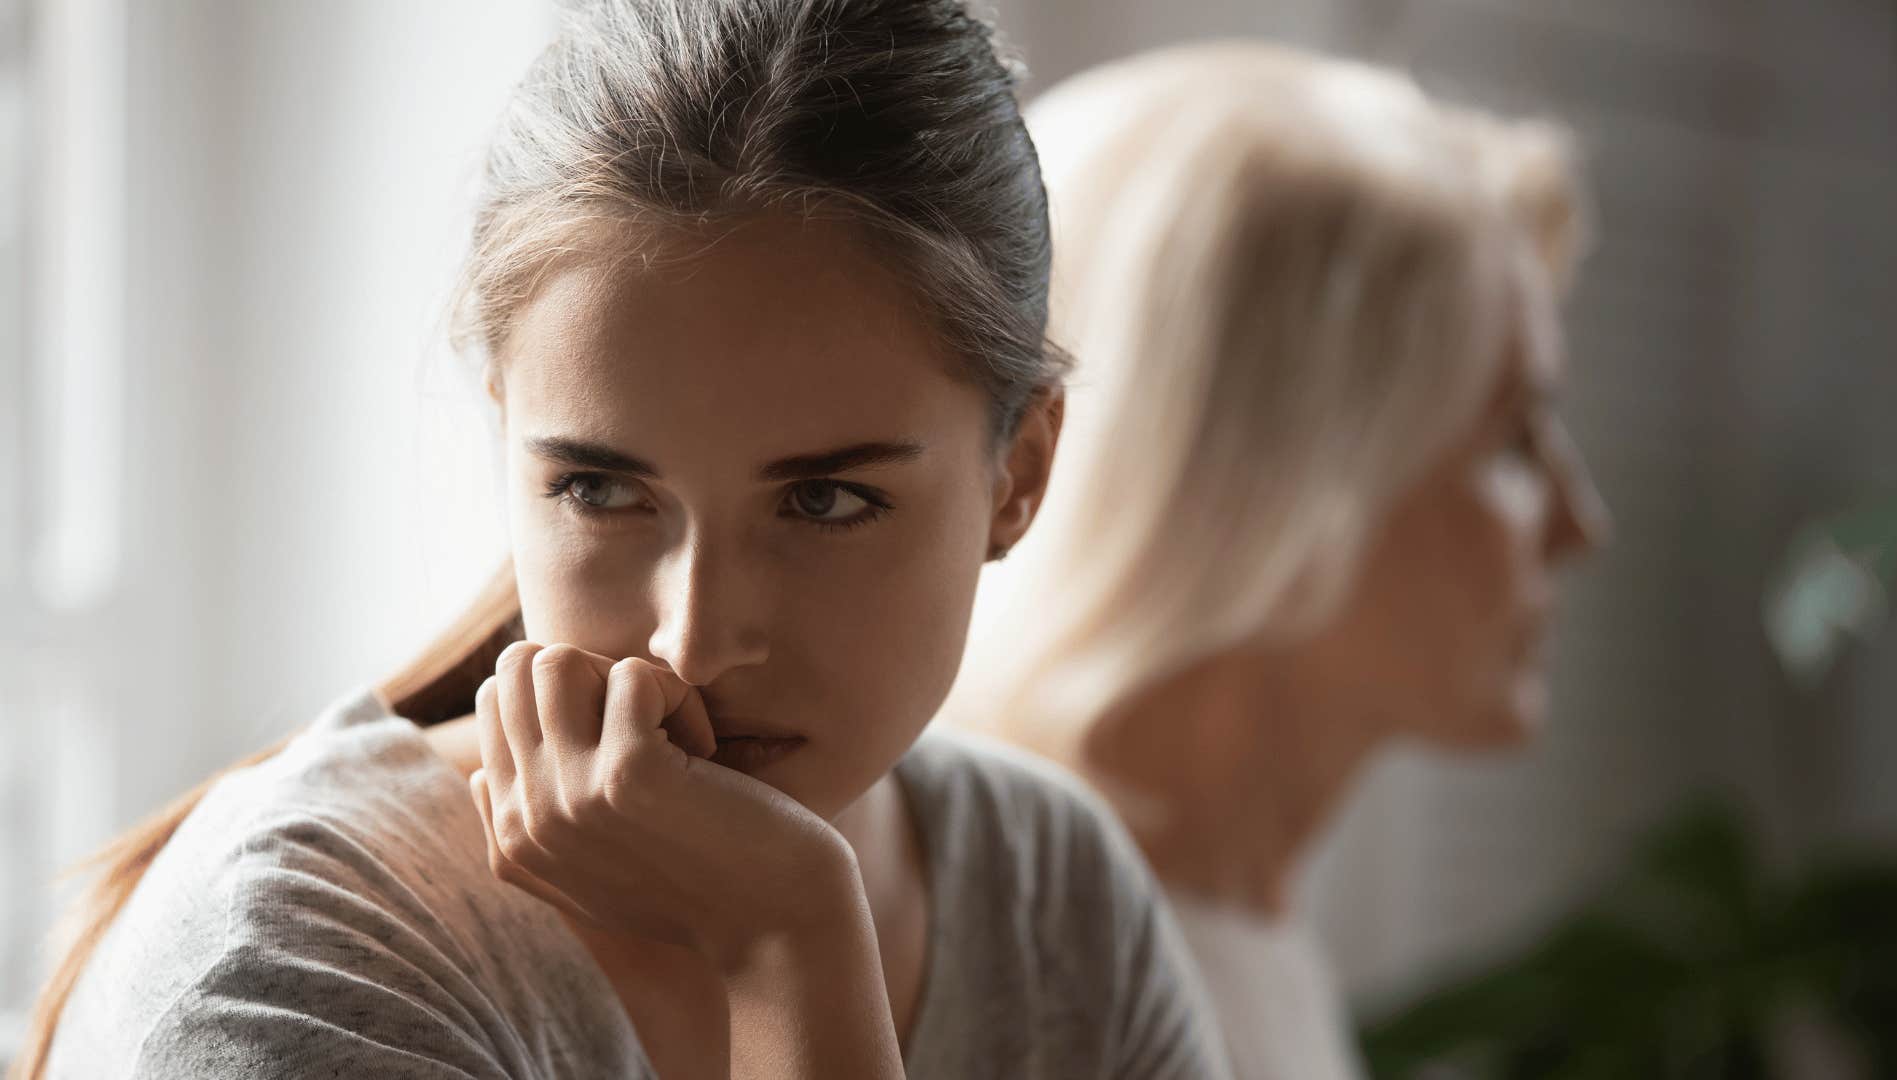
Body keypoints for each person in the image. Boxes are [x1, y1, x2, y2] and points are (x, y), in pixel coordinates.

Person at [15, 5, 1230, 1078]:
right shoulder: (292, 959)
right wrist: (785, 940)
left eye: (824, 501)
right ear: (511, 441)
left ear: (1017, 475)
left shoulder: (1048, 895)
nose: (694, 637)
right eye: (600, 489)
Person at [943, 43, 1613, 1080]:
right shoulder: (1045, 982)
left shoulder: (1223, 928)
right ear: (1277, 481)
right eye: (1515, 438)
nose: (1580, 525)